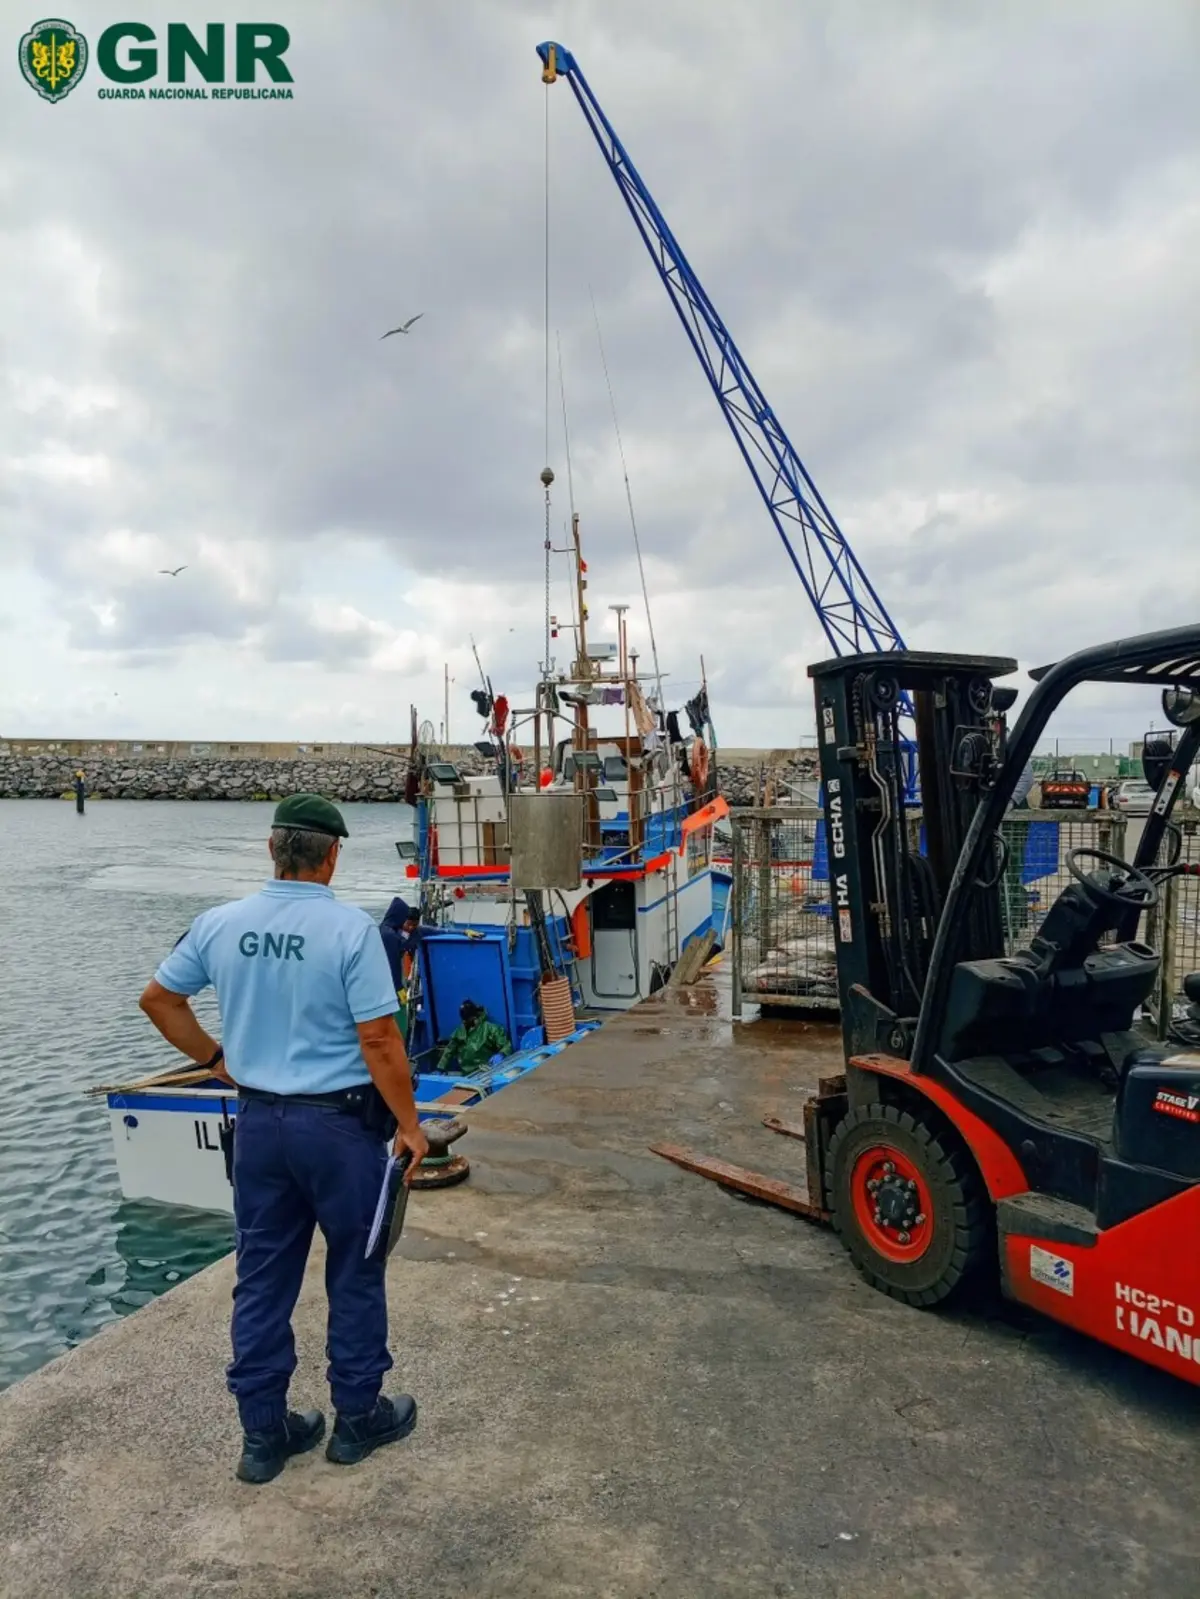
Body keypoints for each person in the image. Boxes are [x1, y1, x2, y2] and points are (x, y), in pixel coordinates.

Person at [138, 793, 430, 1485]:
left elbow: (158, 998)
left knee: (262, 1276)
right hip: (340, 1126)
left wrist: (215, 1058)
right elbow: (379, 1039)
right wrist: (412, 1126)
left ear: (272, 849)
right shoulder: (352, 932)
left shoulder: (221, 923)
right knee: (355, 1269)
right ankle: (357, 1418)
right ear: (332, 855)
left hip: (261, 1124)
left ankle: (264, 1434)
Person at [436, 998, 510, 1074]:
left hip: (486, 1072)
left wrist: (502, 1054)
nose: (464, 1022)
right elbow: (449, 1050)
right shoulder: (460, 1031)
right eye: (463, 1020)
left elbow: (506, 1045)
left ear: (474, 1017)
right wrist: (440, 1068)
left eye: (467, 1019)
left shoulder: (490, 1029)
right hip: (466, 1075)